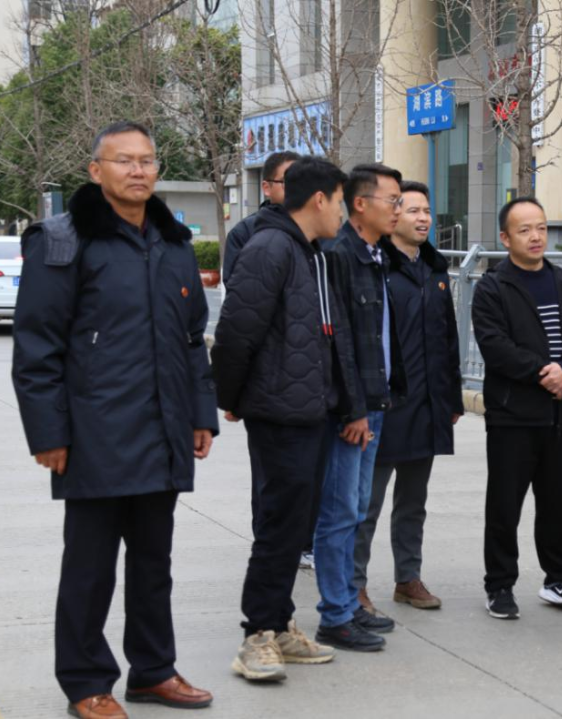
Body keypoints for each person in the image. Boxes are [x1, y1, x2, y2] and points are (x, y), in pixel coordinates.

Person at [12, 121, 218, 719]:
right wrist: (48, 433)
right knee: (90, 568)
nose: (137, 170)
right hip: (94, 434)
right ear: (95, 170)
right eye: (123, 160)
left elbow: (191, 340)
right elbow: (37, 347)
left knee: (154, 564)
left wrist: (200, 413)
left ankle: (153, 670)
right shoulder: (62, 240)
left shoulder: (173, 242)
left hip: (164, 428)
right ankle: (86, 682)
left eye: (146, 160)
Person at [211, 156, 363, 682]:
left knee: (297, 524)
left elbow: (332, 334)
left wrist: (346, 402)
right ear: (319, 199)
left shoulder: (313, 252)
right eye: (340, 201)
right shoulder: (270, 248)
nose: (343, 213)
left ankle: (279, 626)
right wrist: (231, 397)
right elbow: (236, 331)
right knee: (279, 526)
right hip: (278, 411)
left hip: (311, 409)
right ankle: (257, 635)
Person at [471, 197, 562, 620]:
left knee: (558, 502)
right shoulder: (493, 287)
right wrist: (545, 373)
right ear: (505, 238)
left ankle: (560, 579)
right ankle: (499, 585)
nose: (536, 236)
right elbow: (495, 346)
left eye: (541, 227)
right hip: (513, 415)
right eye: (524, 230)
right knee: (505, 505)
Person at [353, 181, 463, 613]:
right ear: (394, 215)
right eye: (413, 210)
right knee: (366, 504)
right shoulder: (376, 267)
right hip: (384, 407)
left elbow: (449, 339)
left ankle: (408, 578)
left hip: (428, 404)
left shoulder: (435, 270)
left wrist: (452, 398)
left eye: (427, 211)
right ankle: (354, 586)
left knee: (413, 502)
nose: (423, 219)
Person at [313, 163, 406, 650]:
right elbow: (338, 344)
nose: (399, 210)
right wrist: (353, 411)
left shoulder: (375, 254)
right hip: (352, 412)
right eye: (393, 201)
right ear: (360, 204)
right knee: (339, 511)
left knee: (356, 508)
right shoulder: (339, 256)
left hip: (374, 403)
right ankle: (335, 614)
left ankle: (349, 604)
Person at [222, 151, 300, 285]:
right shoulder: (243, 233)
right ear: (266, 187)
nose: (297, 188)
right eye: (288, 181)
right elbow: (237, 289)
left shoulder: (318, 230)